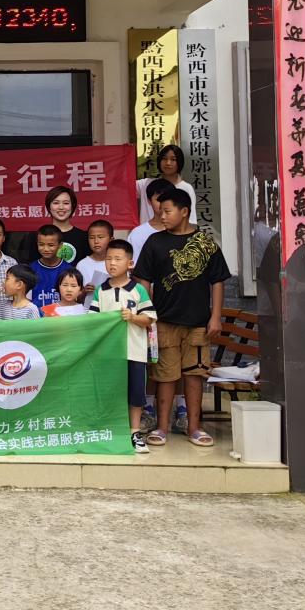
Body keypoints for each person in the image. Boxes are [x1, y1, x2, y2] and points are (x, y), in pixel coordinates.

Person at [134, 188, 230, 448]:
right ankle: (162, 427)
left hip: (198, 322)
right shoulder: (154, 242)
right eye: (160, 211)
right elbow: (144, 279)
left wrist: (216, 317)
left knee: (195, 375)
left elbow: (218, 281)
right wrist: (147, 312)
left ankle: (194, 427)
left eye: (167, 211)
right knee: (165, 376)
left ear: (184, 211)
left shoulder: (205, 242)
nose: (162, 216)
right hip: (164, 321)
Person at [89, 238, 157, 455]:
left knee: (136, 394)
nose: (112, 263)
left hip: (134, 352)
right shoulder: (101, 291)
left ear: (130, 263)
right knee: (110, 392)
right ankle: (112, 431)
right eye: (108, 258)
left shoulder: (138, 290)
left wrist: (133, 317)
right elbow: (92, 320)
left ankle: (134, 432)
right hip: (108, 355)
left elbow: (150, 318)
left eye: (118, 259)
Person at [137, 143, 197, 224]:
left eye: (173, 159)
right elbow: (122, 185)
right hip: (146, 232)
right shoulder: (145, 184)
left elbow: (190, 220)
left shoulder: (186, 188)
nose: (168, 163)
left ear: (180, 162)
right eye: (164, 158)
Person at [38, 185, 90, 264]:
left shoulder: (84, 237)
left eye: (66, 203)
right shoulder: (38, 236)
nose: (61, 207)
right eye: (56, 203)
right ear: (49, 207)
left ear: (73, 206)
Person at [128, 176, 174, 261]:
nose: (163, 203)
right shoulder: (138, 234)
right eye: (158, 199)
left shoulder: (183, 231)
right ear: (149, 201)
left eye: (167, 198)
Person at [28, 224, 69, 309]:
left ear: (60, 245)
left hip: (62, 316)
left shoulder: (68, 270)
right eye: (41, 244)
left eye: (51, 245)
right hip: (37, 316)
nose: (46, 249)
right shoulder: (30, 269)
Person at [77, 219, 114, 296]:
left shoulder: (117, 263)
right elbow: (76, 296)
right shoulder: (82, 265)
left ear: (111, 240)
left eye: (100, 237)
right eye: (92, 237)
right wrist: (84, 292)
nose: (96, 241)